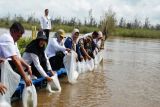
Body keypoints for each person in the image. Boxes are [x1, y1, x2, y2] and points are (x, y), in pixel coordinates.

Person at [0, 22, 32, 86]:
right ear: (13, 31)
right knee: (13, 64)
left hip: (2, 65)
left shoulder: (14, 41)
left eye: (20, 37)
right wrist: (25, 77)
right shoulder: (7, 38)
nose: (19, 38)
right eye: (18, 36)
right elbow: (15, 59)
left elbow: (18, 58)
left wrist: (27, 66)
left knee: (22, 68)